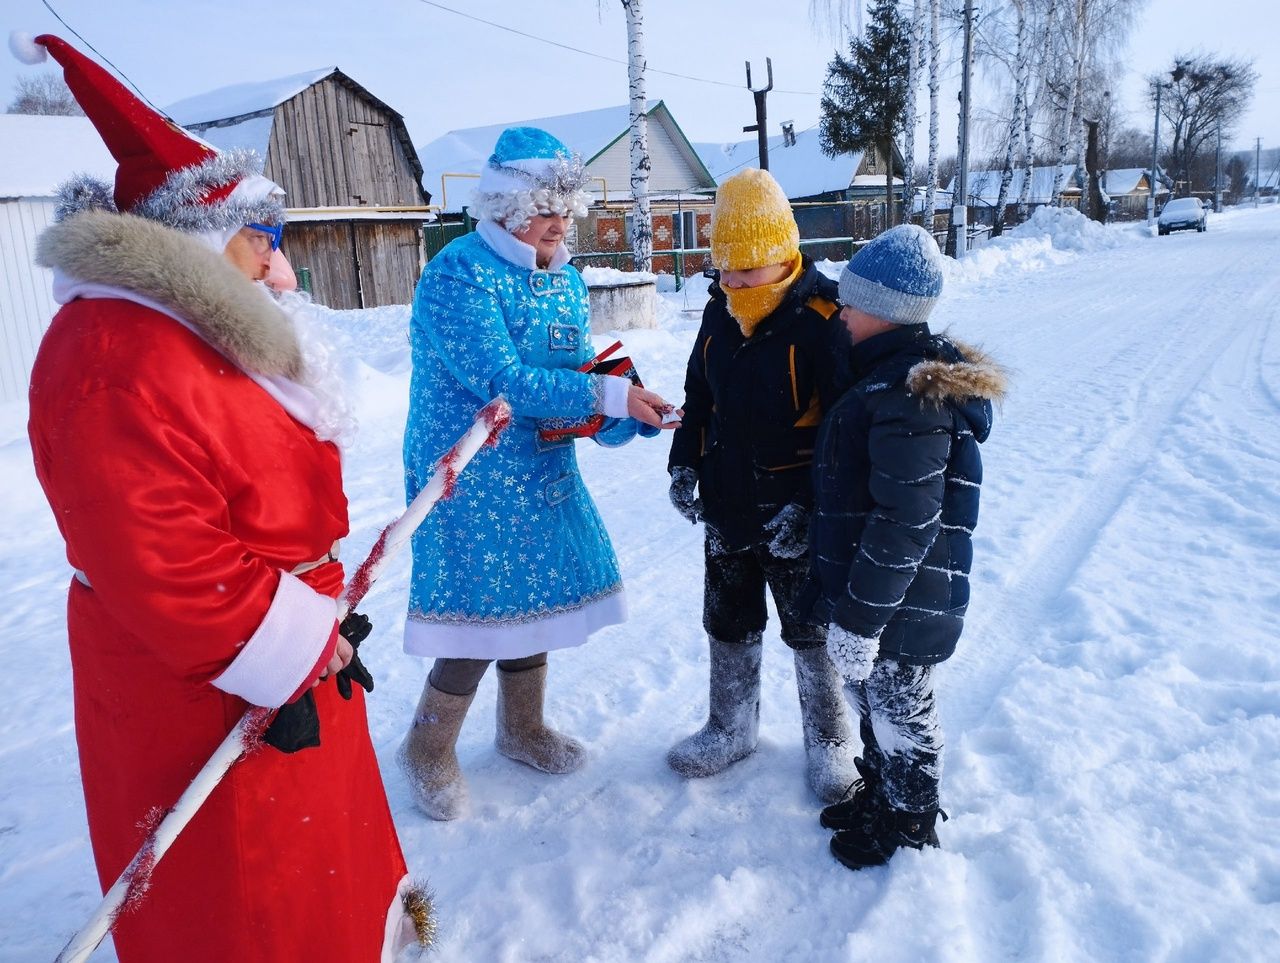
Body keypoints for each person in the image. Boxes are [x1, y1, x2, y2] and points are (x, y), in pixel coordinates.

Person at [21, 34, 424, 961]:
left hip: (275, 649)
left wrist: (312, 629)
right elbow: (159, 557)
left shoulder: (188, 329)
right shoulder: (115, 354)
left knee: (308, 865)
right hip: (202, 679)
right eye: (264, 240)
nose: (281, 268)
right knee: (243, 895)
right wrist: (283, 645)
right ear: (205, 241)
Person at [398, 126, 678, 821]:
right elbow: (503, 381)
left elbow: (577, 374)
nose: (560, 227)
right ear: (503, 207)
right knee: (481, 611)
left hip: (539, 463)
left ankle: (521, 727)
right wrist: (605, 397)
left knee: (538, 596)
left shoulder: (566, 281)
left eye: (565, 213)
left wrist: (624, 413)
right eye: (544, 211)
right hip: (469, 469)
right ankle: (426, 747)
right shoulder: (458, 272)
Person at [799, 224, 1006, 869]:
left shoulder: (910, 399)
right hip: (881, 597)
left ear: (885, 315)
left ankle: (912, 827)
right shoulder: (881, 378)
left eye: (851, 305)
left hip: (902, 604)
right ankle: (882, 799)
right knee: (874, 703)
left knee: (902, 713)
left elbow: (906, 522)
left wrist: (861, 620)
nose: (841, 313)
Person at [665, 168, 858, 802]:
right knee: (728, 617)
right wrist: (684, 461)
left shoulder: (824, 318)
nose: (733, 284)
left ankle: (830, 740)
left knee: (809, 628)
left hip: (795, 514)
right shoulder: (720, 312)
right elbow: (700, 396)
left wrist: (812, 505)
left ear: (782, 257)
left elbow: (843, 431)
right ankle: (731, 726)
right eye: (724, 271)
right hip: (728, 502)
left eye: (747, 272)